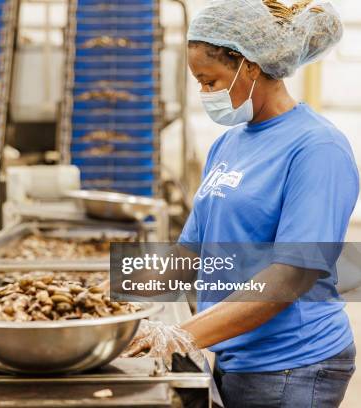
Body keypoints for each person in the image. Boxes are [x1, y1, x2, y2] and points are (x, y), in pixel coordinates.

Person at [123, 1, 357, 407]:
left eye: (210, 81)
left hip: (292, 365)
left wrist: (179, 335)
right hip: (235, 351)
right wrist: (113, 298)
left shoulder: (316, 147)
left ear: (249, 66)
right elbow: (190, 252)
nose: (204, 94)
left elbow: (292, 275)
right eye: (198, 81)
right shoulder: (228, 144)